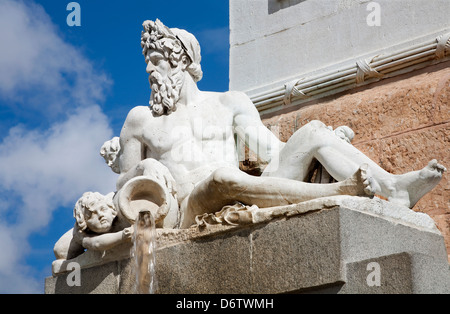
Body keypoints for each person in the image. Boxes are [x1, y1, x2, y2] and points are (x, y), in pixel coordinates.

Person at [115, 19, 446, 228]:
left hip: (249, 191)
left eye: (156, 62)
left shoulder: (229, 102)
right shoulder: (141, 120)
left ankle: (394, 189)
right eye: (148, 63)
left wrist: (330, 145)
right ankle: (338, 192)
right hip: (187, 208)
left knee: (314, 131)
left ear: (182, 63)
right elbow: (121, 188)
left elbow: (275, 151)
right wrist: (143, 167)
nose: (150, 71)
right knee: (222, 177)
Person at [53, 192, 133, 261]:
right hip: (79, 240)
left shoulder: (116, 202)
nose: (100, 215)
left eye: (103, 209)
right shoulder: (81, 233)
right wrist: (122, 235)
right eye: (92, 215)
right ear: (86, 224)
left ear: (111, 210)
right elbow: (96, 243)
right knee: (60, 251)